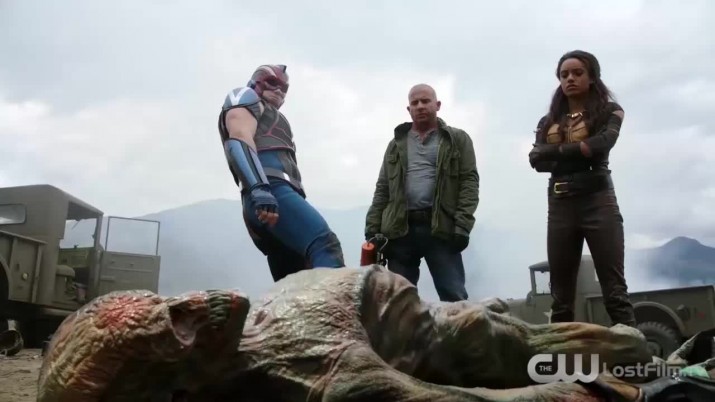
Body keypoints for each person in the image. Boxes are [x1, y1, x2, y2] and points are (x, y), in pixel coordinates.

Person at [528, 50, 636, 327]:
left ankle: (634, 350)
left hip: (598, 202)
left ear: (592, 77)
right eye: (564, 75)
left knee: (615, 291)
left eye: (577, 73)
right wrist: (579, 150)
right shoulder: (547, 121)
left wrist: (555, 151)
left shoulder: (610, 111)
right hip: (560, 205)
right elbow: (537, 161)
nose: (570, 79)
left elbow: (601, 145)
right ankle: (558, 354)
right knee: (560, 296)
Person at [217, 64, 345, 281]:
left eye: (284, 87)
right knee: (324, 245)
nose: (279, 90)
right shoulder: (245, 97)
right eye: (272, 83)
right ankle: (337, 302)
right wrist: (260, 188)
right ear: (256, 82)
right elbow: (239, 138)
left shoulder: (270, 115)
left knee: (295, 276)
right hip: (271, 190)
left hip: (270, 194)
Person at [364, 84, 479, 302]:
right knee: (398, 300)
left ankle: (460, 326)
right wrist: (372, 228)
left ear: (437, 105)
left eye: (425, 101)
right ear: (409, 109)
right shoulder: (395, 145)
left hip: (441, 228)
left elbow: (469, 183)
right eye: (414, 103)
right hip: (400, 231)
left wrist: (462, 226)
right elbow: (383, 188)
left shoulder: (457, 139)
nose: (420, 106)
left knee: (453, 295)